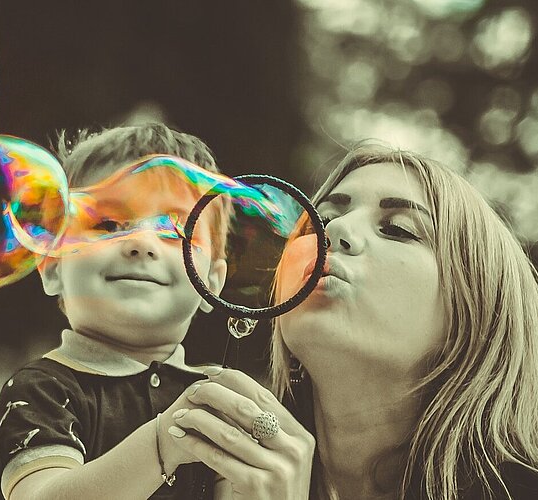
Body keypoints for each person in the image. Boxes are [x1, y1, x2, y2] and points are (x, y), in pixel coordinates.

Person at [167, 144, 538, 499]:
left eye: (397, 229)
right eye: (322, 220)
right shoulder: (190, 465)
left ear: (476, 311)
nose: (335, 231)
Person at [0, 123, 232, 499]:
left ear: (212, 284)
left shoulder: (215, 399)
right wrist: (164, 441)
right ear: (54, 267)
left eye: (173, 228)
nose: (140, 242)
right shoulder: (43, 389)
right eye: (106, 224)